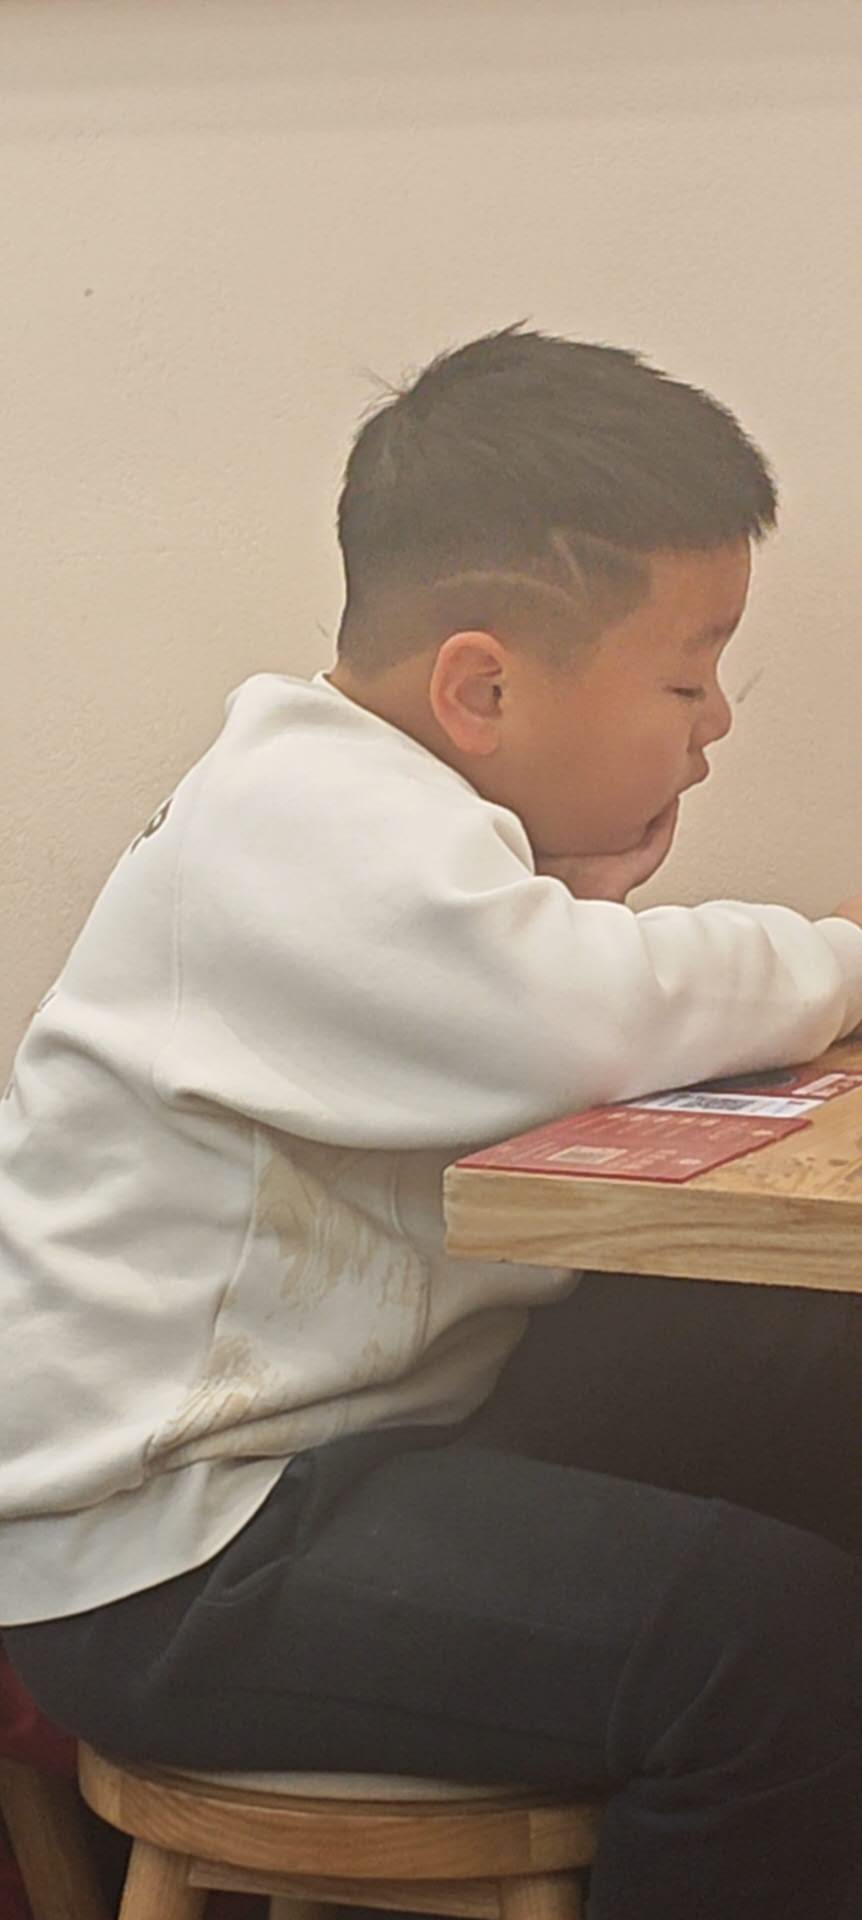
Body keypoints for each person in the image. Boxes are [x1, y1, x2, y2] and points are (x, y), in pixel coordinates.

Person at [1, 322, 860, 1920]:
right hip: (176, 1559)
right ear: (480, 686)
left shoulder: (380, 818)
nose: (715, 722)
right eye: (685, 676)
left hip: (346, 1452)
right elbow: (581, 1015)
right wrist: (838, 954)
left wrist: (575, 876)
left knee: (799, 1359)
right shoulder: (304, 819)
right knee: (773, 1656)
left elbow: (548, 1007)